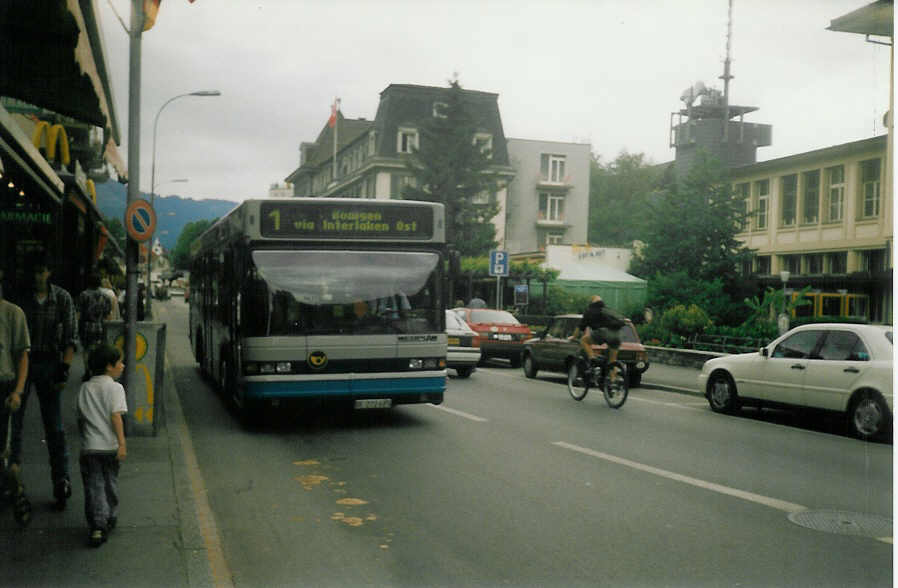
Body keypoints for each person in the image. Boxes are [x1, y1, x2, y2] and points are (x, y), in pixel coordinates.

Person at [15, 256, 77, 510]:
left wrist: (64, 369)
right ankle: (12, 480)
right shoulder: (22, 300)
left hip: (50, 363)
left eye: (42, 271)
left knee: (54, 425)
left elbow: (71, 337)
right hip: (25, 361)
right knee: (14, 423)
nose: (38, 276)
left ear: (49, 272)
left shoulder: (61, 298)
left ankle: (61, 479)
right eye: (35, 271)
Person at [77, 343, 127, 547]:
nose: (122, 366)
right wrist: (122, 443)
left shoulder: (85, 387)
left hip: (90, 447)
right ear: (109, 366)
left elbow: (81, 418)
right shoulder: (115, 388)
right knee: (110, 482)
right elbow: (116, 416)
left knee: (93, 485)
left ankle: (98, 523)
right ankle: (108, 517)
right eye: (119, 362)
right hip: (110, 446)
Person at [0, 269, 31, 525]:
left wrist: (18, 391)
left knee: (6, 453)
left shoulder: (12, 313)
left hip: (5, 387)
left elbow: (22, 356)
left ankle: (18, 492)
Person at [571, 295, 625, 380]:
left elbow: (580, 327)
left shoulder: (590, 311)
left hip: (603, 332)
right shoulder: (608, 310)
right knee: (612, 361)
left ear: (592, 302)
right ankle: (612, 384)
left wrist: (573, 337)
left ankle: (592, 358)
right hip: (617, 334)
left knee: (584, 340)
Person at [78, 271, 112, 356]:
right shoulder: (105, 297)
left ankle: (87, 367)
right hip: (100, 327)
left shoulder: (83, 295)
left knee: (86, 349)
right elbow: (108, 315)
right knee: (98, 349)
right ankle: (95, 366)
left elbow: (79, 313)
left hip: (86, 327)